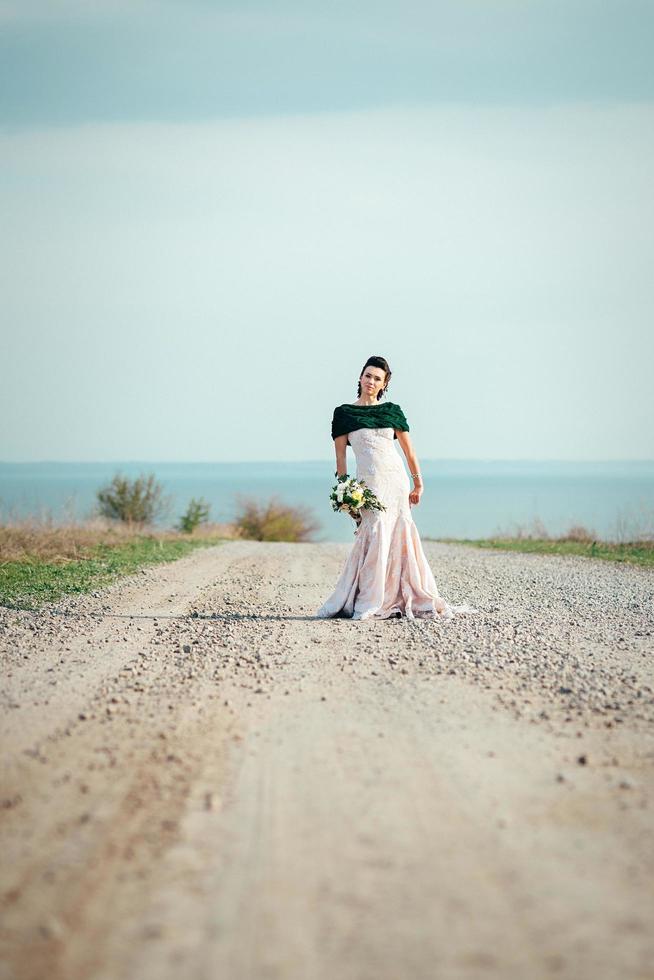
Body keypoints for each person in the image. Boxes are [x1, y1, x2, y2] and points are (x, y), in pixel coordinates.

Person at [315, 355, 478, 621]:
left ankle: (399, 596)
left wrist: (418, 483)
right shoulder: (344, 414)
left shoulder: (392, 411)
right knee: (376, 530)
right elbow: (341, 462)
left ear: (384, 383)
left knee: (399, 532)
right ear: (360, 377)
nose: (371, 381)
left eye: (377, 378)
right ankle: (370, 598)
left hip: (396, 482)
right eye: (368, 375)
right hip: (368, 486)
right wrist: (345, 497)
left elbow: (409, 452)